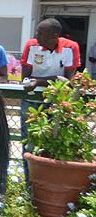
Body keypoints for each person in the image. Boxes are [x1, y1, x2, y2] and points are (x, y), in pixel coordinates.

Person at [19, 18, 80, 180]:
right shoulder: (31, 46)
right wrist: (53, 79)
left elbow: (68, 82)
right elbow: (25, 77)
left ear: (54, 36)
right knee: (29, 144)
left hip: (57, 103)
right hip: (32, 102)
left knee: (54, 144)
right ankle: (29, 184)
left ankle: (48, 181)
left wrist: (39, 81)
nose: (36, 36)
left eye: (40, 33)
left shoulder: (70, 48)